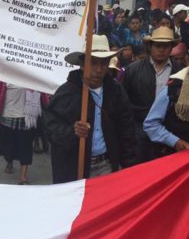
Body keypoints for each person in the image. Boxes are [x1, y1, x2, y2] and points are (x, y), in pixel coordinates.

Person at [43, 35, 136, 183]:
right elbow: (50, 128)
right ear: (82, 63)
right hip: (73, 166)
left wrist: (128, 165)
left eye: (103, 63)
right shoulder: (66, 92)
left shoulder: (116, 91)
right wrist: (72, 131)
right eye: (93, 63)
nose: (99, 69)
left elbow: (126, 129)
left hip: (107, 164)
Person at [121, 27, 183, 163]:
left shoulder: (181, 71)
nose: (161, 50)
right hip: (139, 134)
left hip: (169, 135)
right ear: (150, 47)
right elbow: (123, 104)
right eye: (158, 46)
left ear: (172, 47)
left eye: (166, 46)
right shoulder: (133, 70)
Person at [0, 80, 42, 184]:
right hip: (8, 116)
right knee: (8, 145)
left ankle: (22, 177)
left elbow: (44, 95)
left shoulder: (33, 76)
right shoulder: (4, 75)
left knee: (26, 146)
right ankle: (9, 161)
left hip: (27, 117)